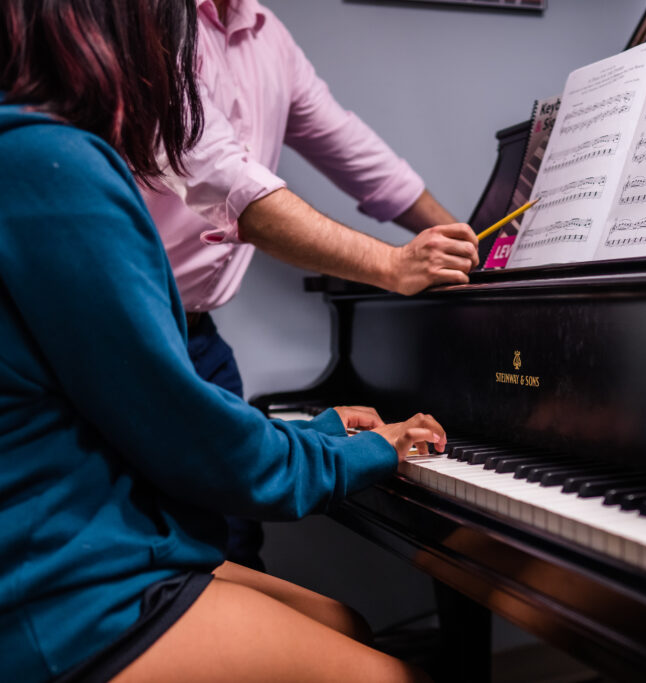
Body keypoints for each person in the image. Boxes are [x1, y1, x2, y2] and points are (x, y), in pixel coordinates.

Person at [0, 0, 440, 680]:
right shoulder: (52, 165)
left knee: (341, 620)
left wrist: (321, 437)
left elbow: (353, 147)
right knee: (390, 672)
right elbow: (186, 443)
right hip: (55, 588)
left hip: (87, 520)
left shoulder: (39, 152)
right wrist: (354, 457)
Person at [144, 0, 479, 568]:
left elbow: (352, 148)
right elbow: (220, 176)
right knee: (168, 546)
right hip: (136, 335)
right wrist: (393, 266)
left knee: (235, 542)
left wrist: (465, 241)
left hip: (200, 339)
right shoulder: (150, 19)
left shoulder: (267, 33)